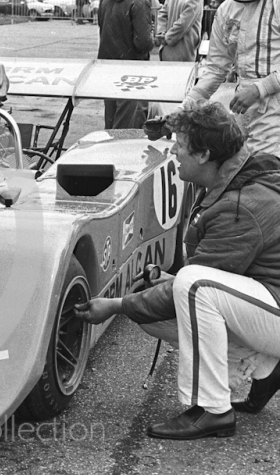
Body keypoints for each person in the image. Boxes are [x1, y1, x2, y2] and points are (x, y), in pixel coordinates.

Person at [75, 101, 280, 440]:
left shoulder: (242, 206)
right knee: (169, 299)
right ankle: (264, 372)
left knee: (193, 286)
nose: (173, 150)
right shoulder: (235, 173)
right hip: (268, 301)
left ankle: (214, 410)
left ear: (203, 155)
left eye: (181, 145)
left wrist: (115, 305)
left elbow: (200, 283)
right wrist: (164, 282)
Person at [185, 0, 280, 158]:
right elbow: (215, 68)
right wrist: (182, 111)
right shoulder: (226, 10)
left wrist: (260, 88)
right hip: (244, 115)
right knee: (246, 171)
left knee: (266, 172)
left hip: (274, 115)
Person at [97, 0, 154, 129]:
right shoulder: (140, 2)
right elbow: (143, 42)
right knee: (128, 123)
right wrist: (153, 40)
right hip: (131, 69)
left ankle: (111, 146)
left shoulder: (105, 1)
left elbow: (102, 28)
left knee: (111, 121)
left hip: (108, 64)